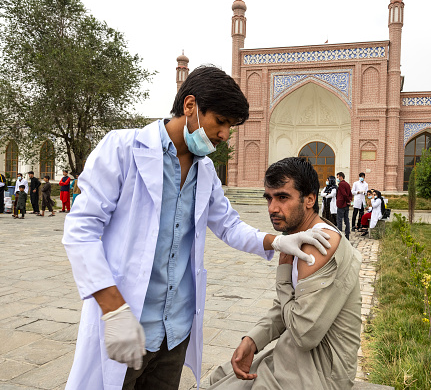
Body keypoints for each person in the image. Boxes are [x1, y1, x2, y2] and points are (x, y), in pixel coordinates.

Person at [61, 66, 331, 390]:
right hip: (125, 324)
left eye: (230, 127)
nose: (224, 135)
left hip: (174, 333)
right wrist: (112, 307)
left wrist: (278, 241)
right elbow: (81, 231)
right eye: (221, 122)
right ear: (190, 106)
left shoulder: (205, 172)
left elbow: (229, 225)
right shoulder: (123, 149)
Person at [207, 157, 362, 390]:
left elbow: (303, 334)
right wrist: (253, 340)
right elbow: (285, 306)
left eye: (282, 197)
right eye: (268, 198)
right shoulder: (298, 239)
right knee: (220, 376)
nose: (272, 208)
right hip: (294, 359)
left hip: (319, 371)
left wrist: (284, 270)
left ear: (310, 199)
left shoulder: (319, 242)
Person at [335, 172, 353, 240]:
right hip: (346, 205)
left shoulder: (341, 184)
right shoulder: (347, 184)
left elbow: (344, 194)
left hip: (342, 204)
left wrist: (348, 200)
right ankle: (347, 234)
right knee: (346, 219)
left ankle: (340, 235)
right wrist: (349, 200)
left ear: (341, 177)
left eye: (337, 177)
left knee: (339, 220)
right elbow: (350, 194)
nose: (337, 178)